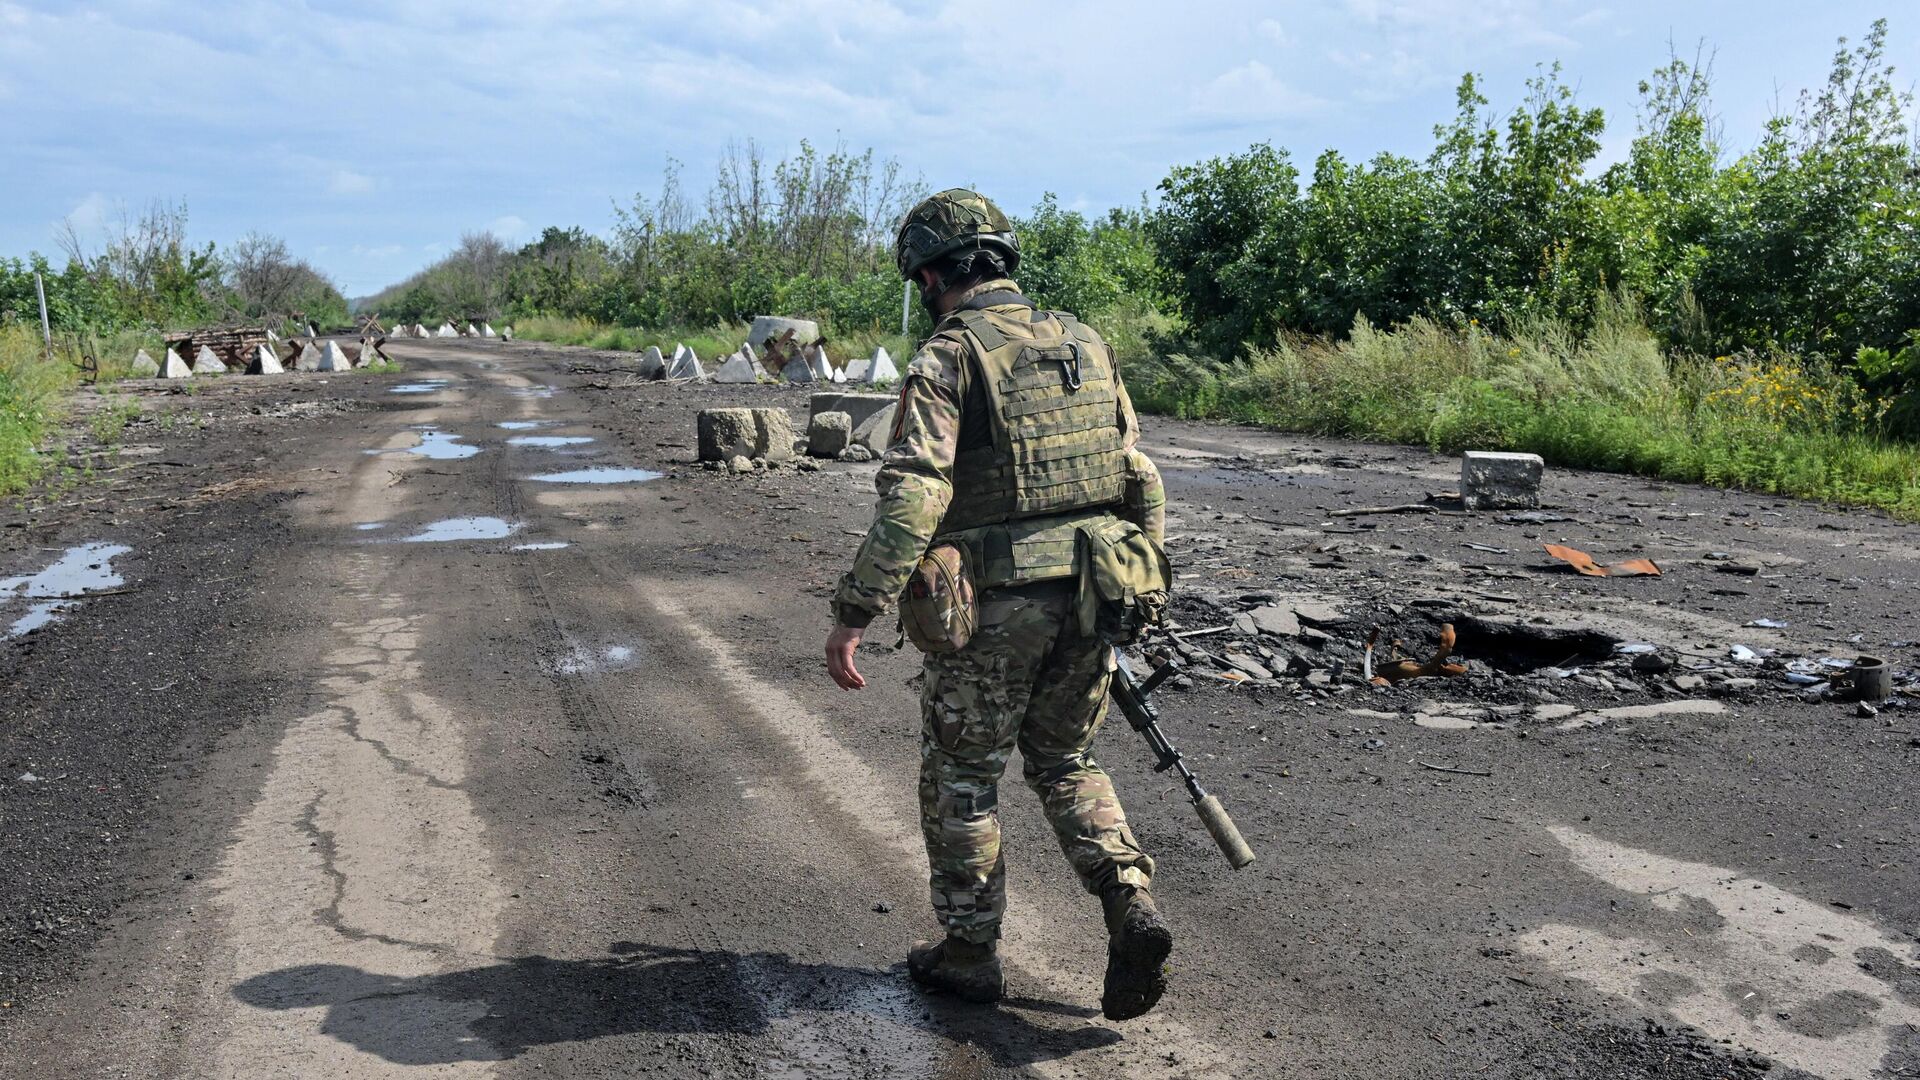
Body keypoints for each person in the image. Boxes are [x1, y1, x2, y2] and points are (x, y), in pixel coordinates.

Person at [823, 188, 1172, 1021]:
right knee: (1066, 762)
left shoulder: (949, 356)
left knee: (964, 778)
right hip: (1097, 592)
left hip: (994, 605)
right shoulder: (1085, 343)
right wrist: (1143, 585)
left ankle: (971, 955)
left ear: (935, 273)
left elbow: (914, 498)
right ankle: (1128, 898)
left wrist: (855, 610)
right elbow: (1140, 475)